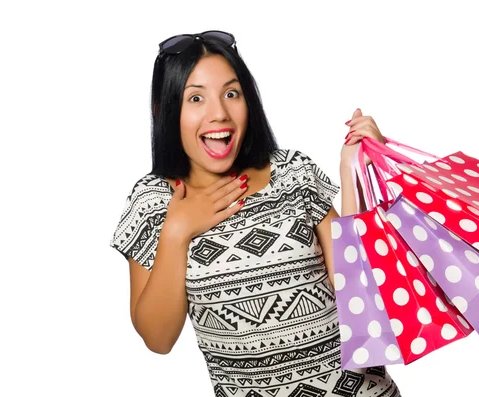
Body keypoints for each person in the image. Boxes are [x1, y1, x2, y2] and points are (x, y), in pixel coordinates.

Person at [110, 30, 402, 397]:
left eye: (231, 93)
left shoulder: (293, 173)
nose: (219, 113)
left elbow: (364, 296)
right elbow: (157, 339)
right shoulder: (152, 201)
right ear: (165, 110)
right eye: (196, 98)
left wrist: (355, 173)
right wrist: (177, 230)